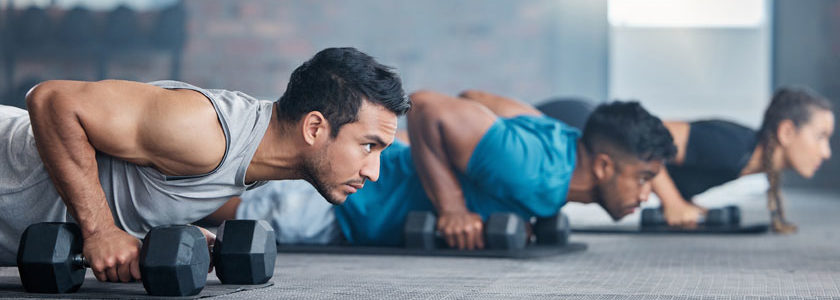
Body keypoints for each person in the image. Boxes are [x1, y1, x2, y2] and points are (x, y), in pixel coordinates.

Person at [0, 47, 410, 282]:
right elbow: (53, 100)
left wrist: (157, 230)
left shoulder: (258, 160)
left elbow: (137, 183)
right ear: (315, 127)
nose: (373, 171)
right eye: (368, 146)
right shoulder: (206, 131)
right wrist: (100, 230)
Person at [204, 89, 676, 249]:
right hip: (336, 203)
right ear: (604, 164)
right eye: (643, 178)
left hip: (365, 195)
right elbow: (429, 105)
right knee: (193, 210)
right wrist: (451, 205)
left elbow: (476, 99)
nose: (647, 195)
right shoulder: (534, 170)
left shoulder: (558, 142)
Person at [539, 88, 834, 233]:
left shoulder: (744, 158)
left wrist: (684, 202)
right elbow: (647, 143)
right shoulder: (733, 147)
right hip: (572, 123)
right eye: (820, 136)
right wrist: (673, 203)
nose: (826, 151)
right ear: (786, 131)